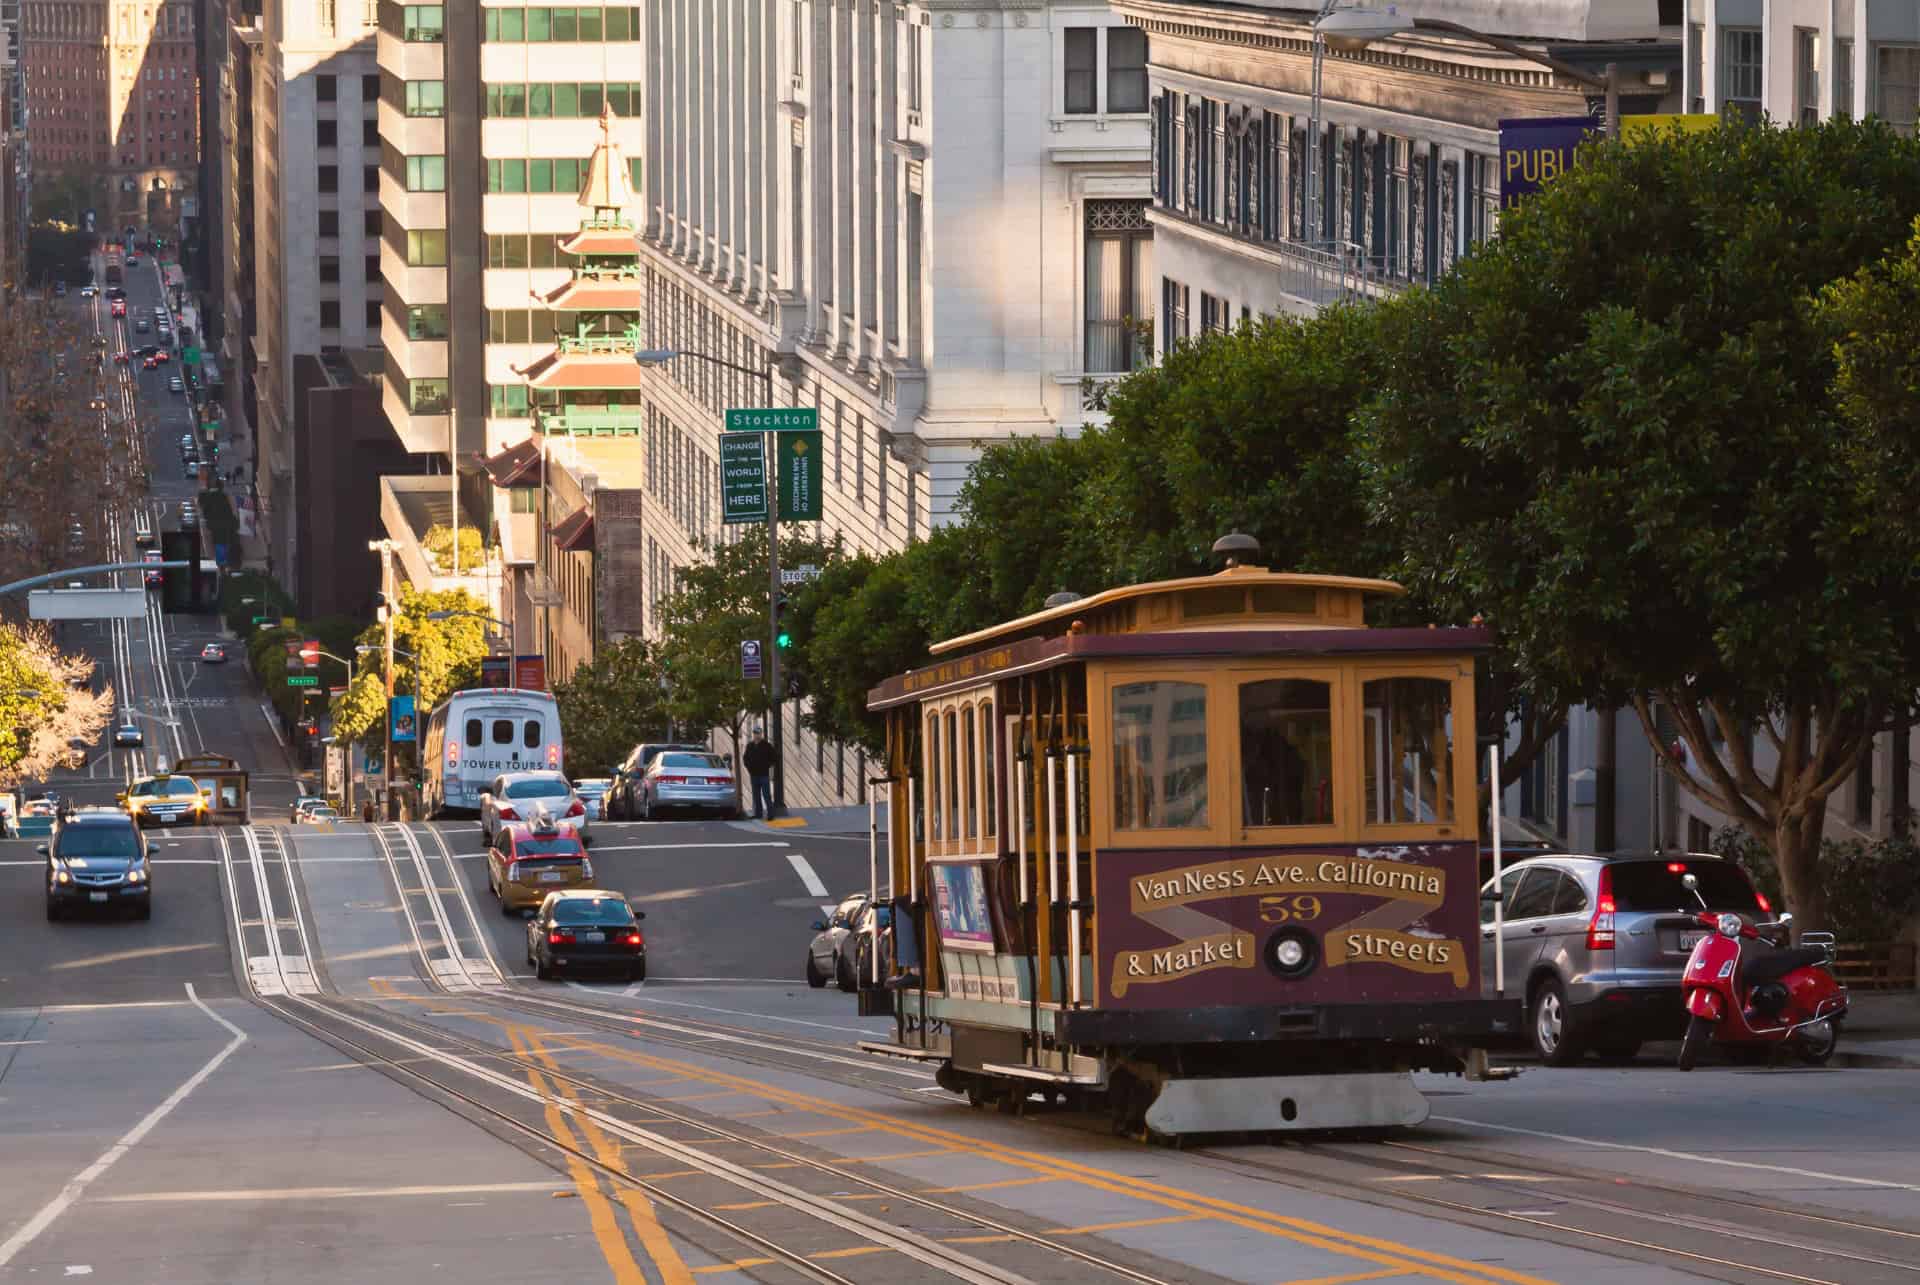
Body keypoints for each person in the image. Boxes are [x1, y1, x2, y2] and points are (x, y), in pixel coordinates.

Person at [742, 727, 776, 819]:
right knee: (756, 796)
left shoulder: (767, 745)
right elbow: (745, 759)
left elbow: (773, 757)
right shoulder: (750, 745)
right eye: (755, 733)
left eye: (758, 733)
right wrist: (749, 768)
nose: (757, 735)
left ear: (761, 734)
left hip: (764, 775)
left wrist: (767, 765)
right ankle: (758, 814)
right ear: (753, 734)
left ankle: (770, 814)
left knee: (766, 795)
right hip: (754, 775)